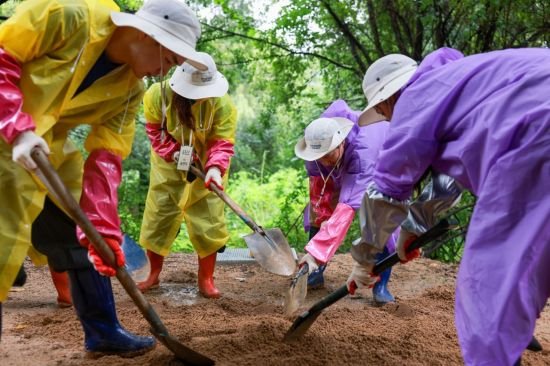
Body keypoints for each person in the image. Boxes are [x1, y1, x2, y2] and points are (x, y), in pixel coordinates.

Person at [0, 0, 207, 355]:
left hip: (45, 146)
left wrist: (102, 225)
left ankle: (103, 331)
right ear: (149, 35)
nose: (161, 73)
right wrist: (15, 126)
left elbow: (107, 155)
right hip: (10, 132)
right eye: (169, 61)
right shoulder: (69, 16)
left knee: (88, 235)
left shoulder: (130, 90)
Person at [346, 49, 549, 365]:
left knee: (487, 288)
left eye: (385, 115)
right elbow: (449, 179)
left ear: (387, 102)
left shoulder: (415, 101)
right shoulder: (459, 84)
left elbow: (385, 192)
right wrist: (412, 230)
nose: (388, 121)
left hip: (536, 139)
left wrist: (363, 261)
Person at [137, 52, 237, 299]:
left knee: (209, 220)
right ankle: (152, 274)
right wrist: (175, 154)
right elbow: (155, 132)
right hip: (167, 165)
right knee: (158, 215)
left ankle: (206, 279)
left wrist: (214, 168)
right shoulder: (156, 96)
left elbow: (222, 142)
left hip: (207, 167)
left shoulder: (223, 104)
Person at [294, 100, 397, 304]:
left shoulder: (362, 154)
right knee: (316, 213)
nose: (323, 161)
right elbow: (318, 187)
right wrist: (324, 218)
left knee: (381, 221)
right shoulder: (316, 144)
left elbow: (347, 207)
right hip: (343, 166)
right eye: (319, 157)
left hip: (382, 167)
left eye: (328, 155)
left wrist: (316, 253)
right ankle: (315, 272)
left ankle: (381, 284)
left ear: (340, 143)